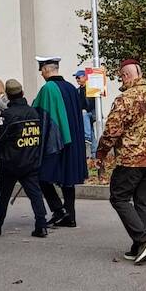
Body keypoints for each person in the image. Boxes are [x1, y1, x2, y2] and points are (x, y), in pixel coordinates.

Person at [97, 59, 146, 264]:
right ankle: (139, 247)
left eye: (121, 77)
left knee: (118, 197)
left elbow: (112, 131)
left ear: (126, 76)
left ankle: (144, 238)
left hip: (130, 159)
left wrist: (101, 153)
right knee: (142, 201)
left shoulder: (125, 99)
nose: (121, 81)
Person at [0, 79, 48, 239]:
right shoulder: (34, 112)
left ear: (8, 95)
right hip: (30, 161)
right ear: (22, 94)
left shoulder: (7, 115)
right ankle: (41, 225)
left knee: (2, 196)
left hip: (10, 162)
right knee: (35, 194)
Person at [32, 56, 89, 228]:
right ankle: (70, 216)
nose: (41, 73)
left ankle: (59, 211)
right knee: (68, 180)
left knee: (42, 177)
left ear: (46, 69)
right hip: (73, 141)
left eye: (41, 69)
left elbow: (39, 114)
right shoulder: (71, 88)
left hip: (57, 142)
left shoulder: (48, 88)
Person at [74, 70, 97, 159]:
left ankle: (86, 137)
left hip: (90, 113)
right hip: (83, 117)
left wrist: (84, 110)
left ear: (85, 77)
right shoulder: (78, 91)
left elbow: (92, 103)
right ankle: (94, 155)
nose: (77, 80)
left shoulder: (91, 89)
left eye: (78, 77)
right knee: (91, 132)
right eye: (76, 78)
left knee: (84, 115)